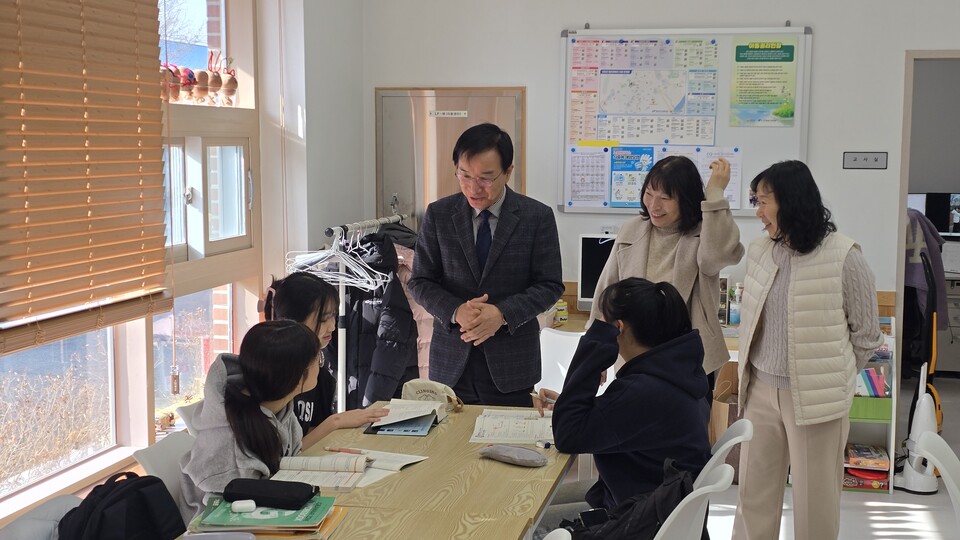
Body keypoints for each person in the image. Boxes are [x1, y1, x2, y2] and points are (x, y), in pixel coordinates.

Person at [732, 160, 883, 540]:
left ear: (792, 202)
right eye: (755, 200)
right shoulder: (760, 250)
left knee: (815, 503)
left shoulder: (845, 256)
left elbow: (866, 335)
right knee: (753, 496)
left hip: (817, 399)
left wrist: (832, 375)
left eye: (764, 201)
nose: (758, 211)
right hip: (760, 392)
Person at [533, 278, 711, 533]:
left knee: (531, 522)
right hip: (661, 508)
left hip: (644, 520)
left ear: (618, 328)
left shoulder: (643, 389)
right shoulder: (676, 371)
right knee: (540, 504)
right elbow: (622, 418)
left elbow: (568, 436)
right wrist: (568, 403)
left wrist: (593, 352)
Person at [409, 123, 564, 406]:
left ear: (508, 172)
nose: (473, 187)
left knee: (508, 446)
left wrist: (502, 314)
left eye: (486, 178)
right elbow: (420, 281)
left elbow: (550, 285)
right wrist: (456, 311)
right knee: (447, 448)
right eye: (464, 175)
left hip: (512, 367)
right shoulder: (439, 214)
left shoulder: (536, 217)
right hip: (451, 366)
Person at [589, 155, 744, 386]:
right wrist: (597, 355)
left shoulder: (703, 234)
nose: (654, 205)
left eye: (665, 198)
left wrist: (714, 194)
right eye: (649, 194)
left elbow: (717, 255)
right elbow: (606, 292)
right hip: (635, 357)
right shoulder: (632, 230)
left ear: (687, 200)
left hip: (690, 362)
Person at [193, 272, 388, 454]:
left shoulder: (321, 378)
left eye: (334, 317)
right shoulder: (268, 374)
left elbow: (301, 446)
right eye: (323, 319)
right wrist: (334, 422)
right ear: (291, 321)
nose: (332, 326)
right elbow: (278, 457)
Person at [179, 320, 323, 523]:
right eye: (318, 359)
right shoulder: (233, 446)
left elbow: (290, 459)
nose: (320, 365)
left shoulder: (276, 405)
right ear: (297, 377)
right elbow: (224, 516)